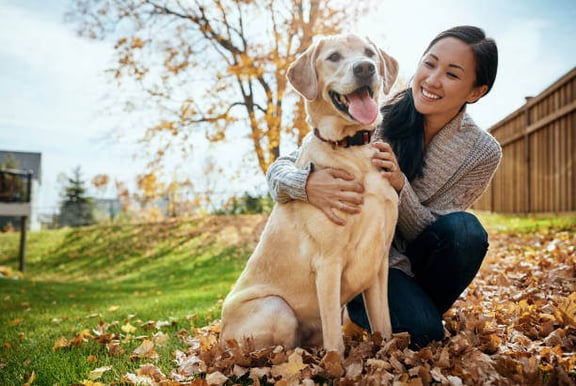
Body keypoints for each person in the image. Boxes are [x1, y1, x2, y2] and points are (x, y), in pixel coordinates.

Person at [266, 25, 502, 348]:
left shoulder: (481, 152)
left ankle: (418, 309)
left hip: (423, 256)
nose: (432, 80)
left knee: (467, 232)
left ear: (475, 92)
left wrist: (399, 186)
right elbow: (281, 166)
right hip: (371, 267)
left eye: (452, 74)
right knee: (424, 335)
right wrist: (306, 182)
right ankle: (406, 314)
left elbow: (438, 231)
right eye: (429, 64)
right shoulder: (371, 115)